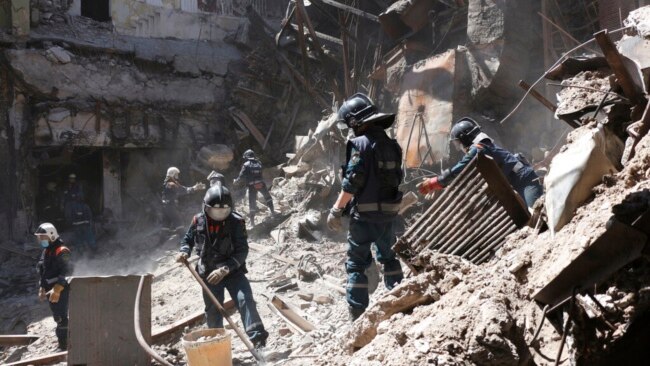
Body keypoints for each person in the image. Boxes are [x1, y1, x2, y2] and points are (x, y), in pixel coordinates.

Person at [326, 93, 404, 321]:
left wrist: (336, 210)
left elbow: (352, 182)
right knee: (389, 257)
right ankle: (401, 304)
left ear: (354, 121)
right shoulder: (392, 145)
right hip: (389, 215)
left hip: (365, 217)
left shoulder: (359, 144)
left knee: (356, 264)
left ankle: (358, 317)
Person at [176, 185, 269, 348]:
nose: (219, 215)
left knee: (245, 300)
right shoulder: (198, 220)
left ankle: (259, 341)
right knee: (213, 311)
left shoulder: (236, 222)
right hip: (209, 274)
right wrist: (184, 251)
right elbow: (188, 239)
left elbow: (242, 250)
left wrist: (225, 269)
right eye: (215, 211)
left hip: (232, 272)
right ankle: (217, 346)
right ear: (206, 207)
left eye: (223, 211)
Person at [417, 117, 543, 208]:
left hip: (524, 180)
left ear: (464, 139)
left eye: (458, 143)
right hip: (513, 183)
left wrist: (436, 182)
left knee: (535, 213)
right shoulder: (482, 146)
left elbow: (460, 169)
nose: (459, 147)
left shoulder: (479, 148)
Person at [35, 222, 71, 351]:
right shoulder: (46, 251)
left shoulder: (62, 250)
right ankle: (63, 341)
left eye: (42, 237)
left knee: (60, 317)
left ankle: (64, 344)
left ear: (51, 235)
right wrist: (42, 287)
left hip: (61, 289)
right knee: (57, 315)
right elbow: (43, 271)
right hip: (50, 289)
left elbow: (67, 270)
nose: (41, 240)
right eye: (39, 237)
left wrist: (58, 287)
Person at [233, 150, 275, 225]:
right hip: (261, 184)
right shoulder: (259, 163)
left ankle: (252, 223)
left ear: (247, 157)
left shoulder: (246, 165)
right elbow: (260, 173)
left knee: (252, 202)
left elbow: (241, 176)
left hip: (252, 186)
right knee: (268, 198)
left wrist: (236, 181)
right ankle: (273, 213)